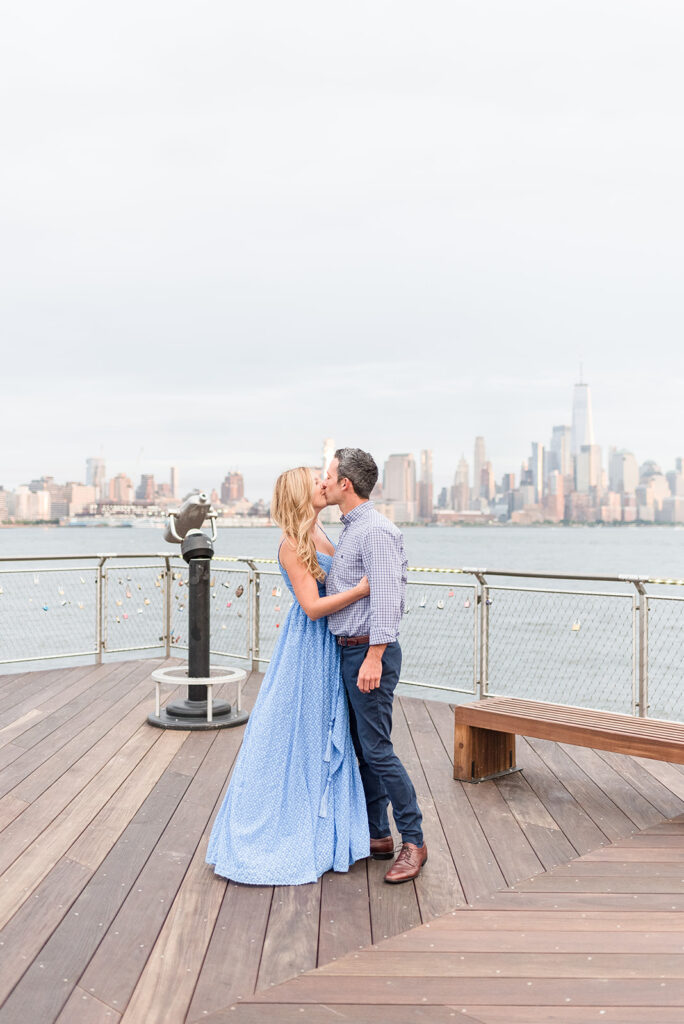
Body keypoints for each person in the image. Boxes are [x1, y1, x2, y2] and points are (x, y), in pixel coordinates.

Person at [206, 466, 370, 885]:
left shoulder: (322, 534)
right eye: (316, 481)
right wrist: (361, 590)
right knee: (293, 732)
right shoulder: (291, 544)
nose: (324, 483)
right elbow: (313, 606)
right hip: (308, 645)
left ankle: (329, 825)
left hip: (329, 643)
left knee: (319, 732)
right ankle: (282, 828)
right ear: (301, 493)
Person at [323, 448, 427, 884]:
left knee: (378, 750)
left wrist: (374, 657)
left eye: (328, 476)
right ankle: (378, 835)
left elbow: (387, 599)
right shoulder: (351, 530)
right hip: (349, 650)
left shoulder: (375, 531)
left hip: (367, 652)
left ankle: (414, 841)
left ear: (345, 484)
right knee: (365, 750)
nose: (324, 483)